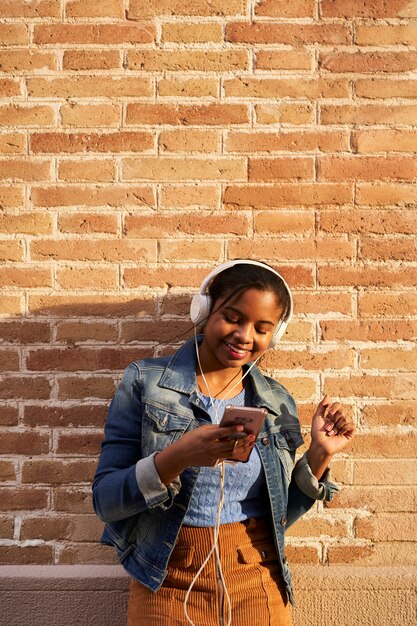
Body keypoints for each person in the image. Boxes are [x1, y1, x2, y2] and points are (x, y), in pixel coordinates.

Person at [92, 259, 355, 626]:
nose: (245, 336)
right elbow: (106, 500)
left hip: (255, 575)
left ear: (274, 335)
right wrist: (178, 457)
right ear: (204, 310)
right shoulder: (144, 382)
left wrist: (318, 455)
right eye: (233, 317)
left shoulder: (276, 402)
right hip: (165, 578)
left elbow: (282, 515)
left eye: (262, 328)